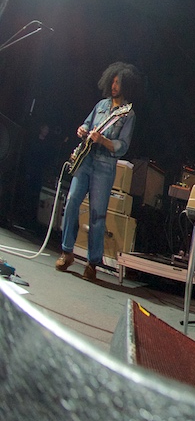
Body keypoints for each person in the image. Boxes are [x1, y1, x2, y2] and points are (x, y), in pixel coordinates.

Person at [55, 62, 140, 281]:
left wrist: (102, 140)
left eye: (118, 82)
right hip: (85, 161)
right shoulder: (101, 105)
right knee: (71, 201)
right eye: (113, 81)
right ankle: (67, 251)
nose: (114, 86)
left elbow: (123, 146)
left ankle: (92, 263)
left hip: (104, 166)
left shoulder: (127, 114)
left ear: (126, 86)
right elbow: (87, 124)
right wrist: (82, 130)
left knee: (97, 214)